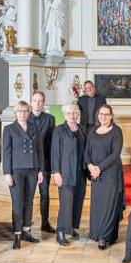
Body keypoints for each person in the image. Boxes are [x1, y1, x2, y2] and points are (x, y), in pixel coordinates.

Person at [2, 101, 44, 249]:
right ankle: (17, 234)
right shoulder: (9, 129)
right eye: (20, 111)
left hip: (32, 169)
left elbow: (40, 150)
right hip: (16, 171)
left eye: (26, 111)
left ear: (29, 112)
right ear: (15, 113)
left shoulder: (34, 127)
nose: (23, 113)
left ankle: (27, 231)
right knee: (17, 203)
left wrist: (41, 170)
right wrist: (7, 173)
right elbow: (6, 153)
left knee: (29, 202)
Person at [85, 104, 124, 250]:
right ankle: (96, 232)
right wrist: (90, 166)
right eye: (101, 114)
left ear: (111, 116)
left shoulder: (116, 131)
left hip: (110, 173)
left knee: (109, 206)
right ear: (98, 115)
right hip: (96, 174)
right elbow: (86, 152)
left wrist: (99, 168)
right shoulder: (93, 130)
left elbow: (115, 154)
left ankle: (105, 237)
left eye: (106, 114)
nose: (103, 117)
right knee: (98, 205)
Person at [51, 103, 87, 246]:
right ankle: (60, 231)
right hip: (65, 172)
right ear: (64, 115)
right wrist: (56, 172)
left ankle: (71, 228)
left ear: (78, 114)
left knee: (78, 201)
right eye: (69, 113)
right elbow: (55, 152)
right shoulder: (59, 130)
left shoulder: (82, 129)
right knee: (66, 203)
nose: (72, 115)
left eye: (74, 112)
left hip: (80, 171)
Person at [28, 91, 56, 234]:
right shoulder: (25, 118)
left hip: (44, 162)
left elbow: (52, 143)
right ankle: (26, 224)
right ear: (31, 102)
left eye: (40, 101)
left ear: (43, 103)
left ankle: (45, 223)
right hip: (29, 164)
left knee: (44, 194)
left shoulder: (50, 119)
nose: (37, 103)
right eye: (35, 100)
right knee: (30, 195)